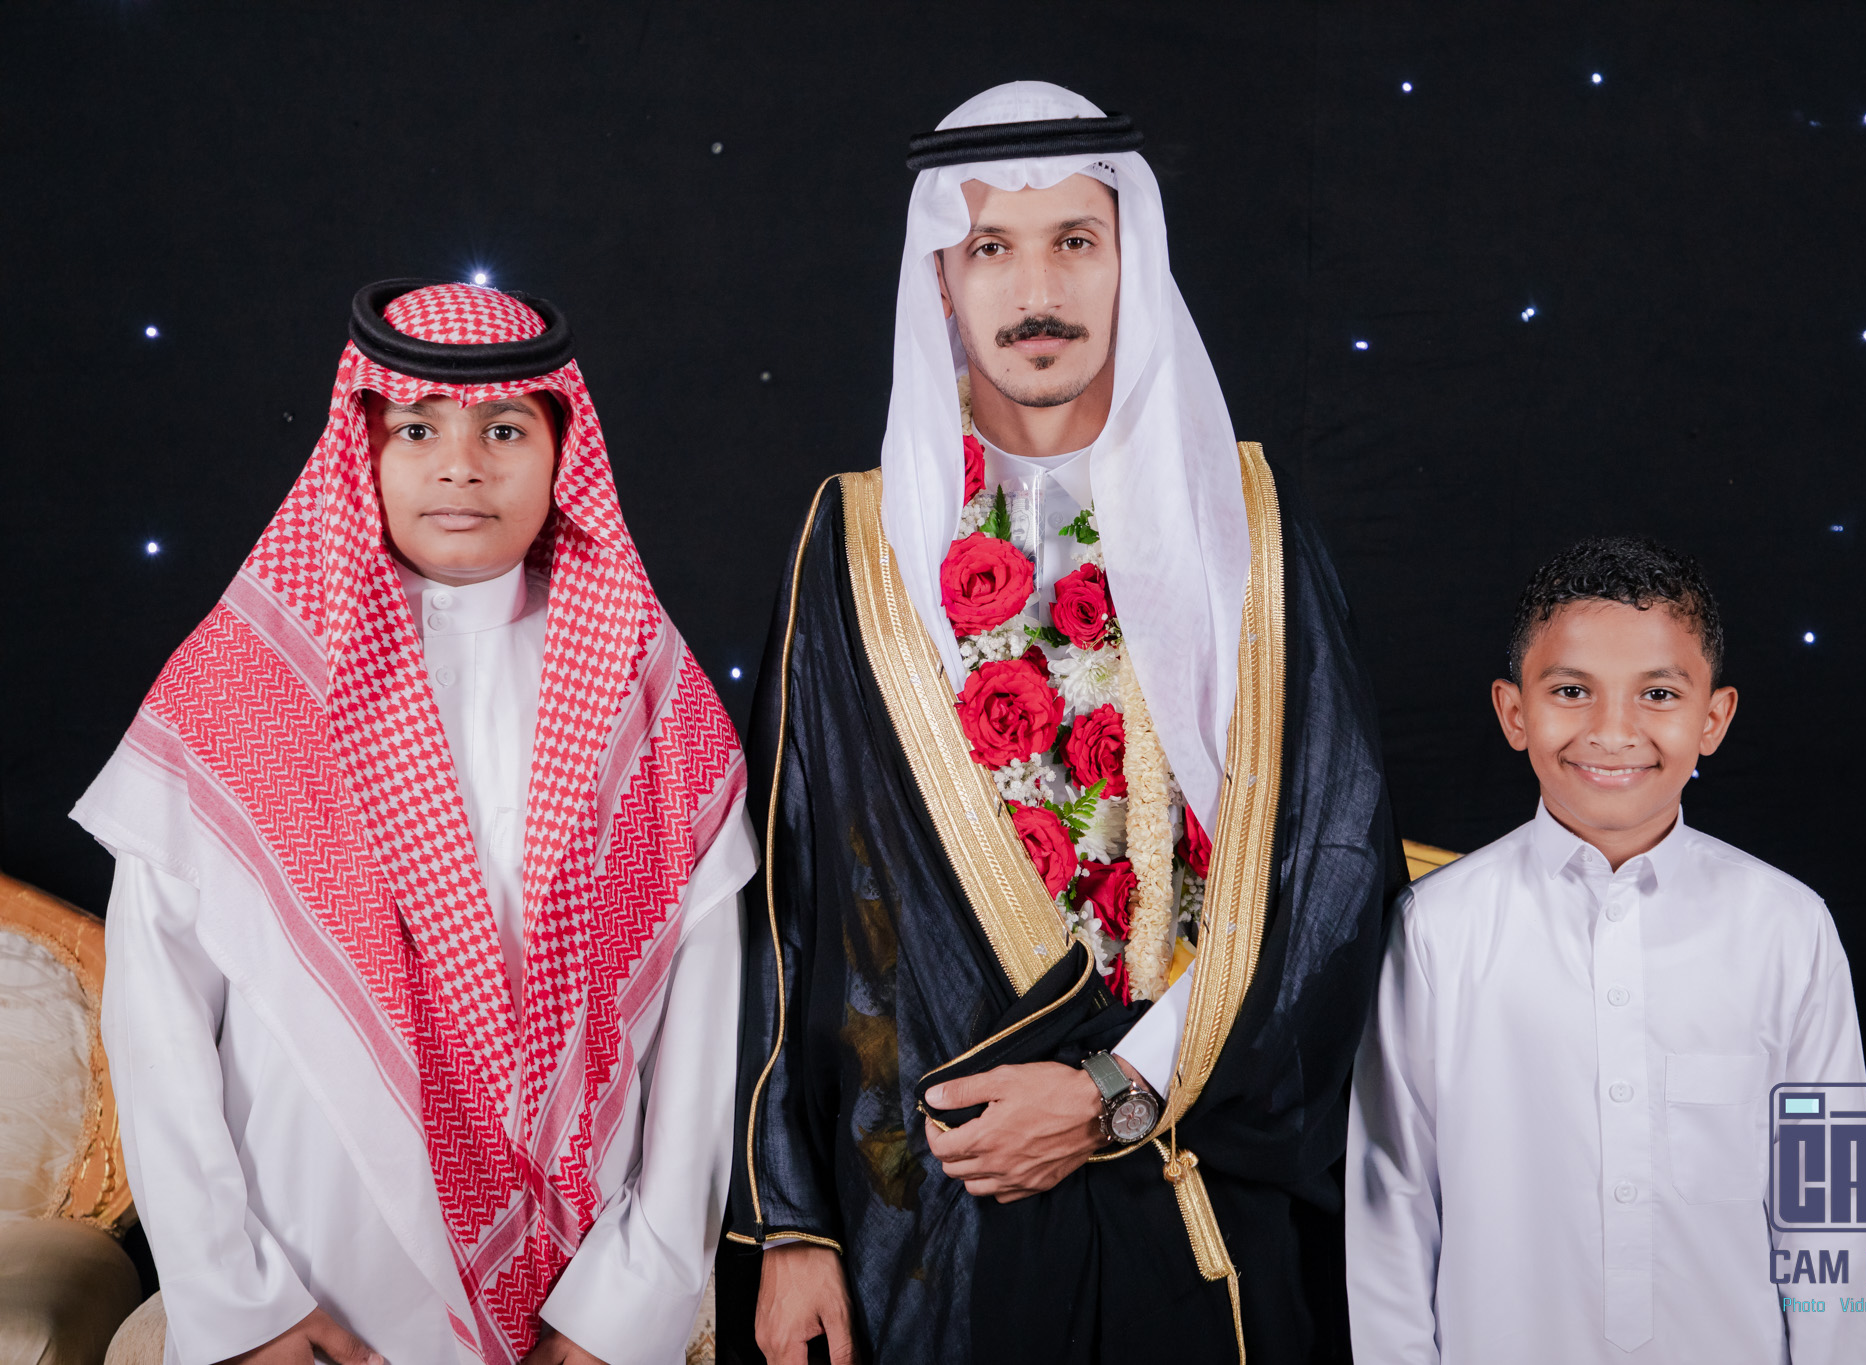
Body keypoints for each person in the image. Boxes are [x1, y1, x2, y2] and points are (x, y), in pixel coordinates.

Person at [723, 82, 1402, 1365]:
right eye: (991, 246)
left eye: (1074, 241)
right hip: (927, 1218)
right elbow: (791, 903)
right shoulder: (856, 544)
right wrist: (793, 1225)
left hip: (1189, 1171)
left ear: (1129, 260)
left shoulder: (1247, 526)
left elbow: (1332, 865)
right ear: (940, 280)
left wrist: (1113, 1092)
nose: (1036, 290)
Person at [72, 280, 752, 1365]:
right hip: (307, 1285)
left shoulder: (645, 688)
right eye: (418, 429)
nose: (461, 466)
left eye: (504, 430)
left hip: (577, 1296)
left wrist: (627, 1308)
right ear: (363, 449)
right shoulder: (245, 680)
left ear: (562, 452)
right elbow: (156, 1016)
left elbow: (700, 1018)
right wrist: (240, 1302)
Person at [1345, 537, 1866, 1364]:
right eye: (1571, 690)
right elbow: (1392, 1206)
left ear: (1713, 718)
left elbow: (1832, 1215)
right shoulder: (1436, 930)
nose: (1612, 731)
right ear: (1513, 711)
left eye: (1658, 693)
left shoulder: (1787, 929)